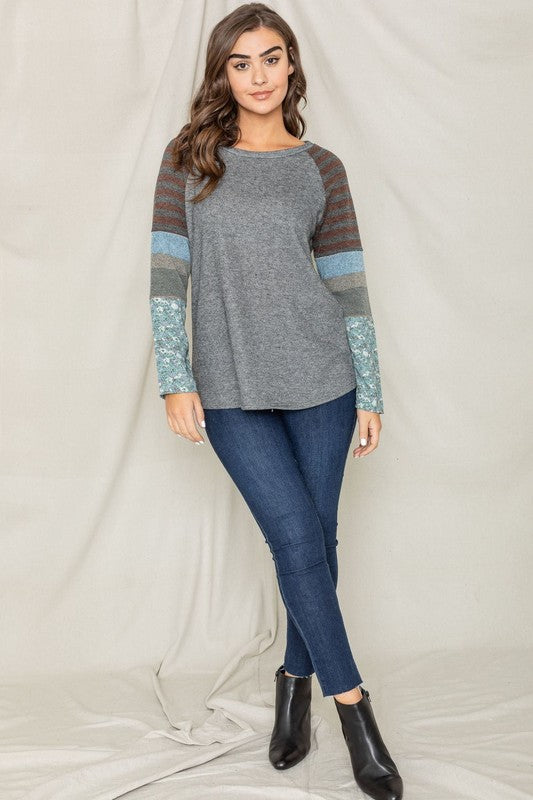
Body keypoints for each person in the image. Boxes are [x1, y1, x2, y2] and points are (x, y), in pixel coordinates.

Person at [148, 4, 403, 799]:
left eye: (270, 58)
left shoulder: (321, 168)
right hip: (231, 387)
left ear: (291, 64)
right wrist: (175, 378)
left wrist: (370, 389)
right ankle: (355, 712)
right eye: (240, 62)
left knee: (315, 542)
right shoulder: (189, 160)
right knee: (295, 538)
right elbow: (166, 278)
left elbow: (346, 283)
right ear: (221, 74)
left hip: (322, 379)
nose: (257, 76)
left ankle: (293, 685)